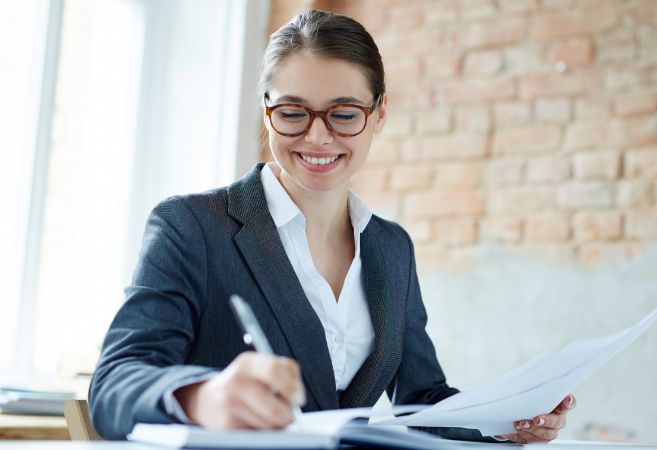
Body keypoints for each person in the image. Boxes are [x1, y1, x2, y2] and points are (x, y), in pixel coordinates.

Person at [88, 9, 575, 444]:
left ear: (379, 114)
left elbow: (422, 398)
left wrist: (506, 420)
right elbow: (114, 384)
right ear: (266, 111)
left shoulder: (390, 247)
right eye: (292, 112)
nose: (317, 136)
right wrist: (201, 397)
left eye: (344, 114)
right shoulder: (191, 227)